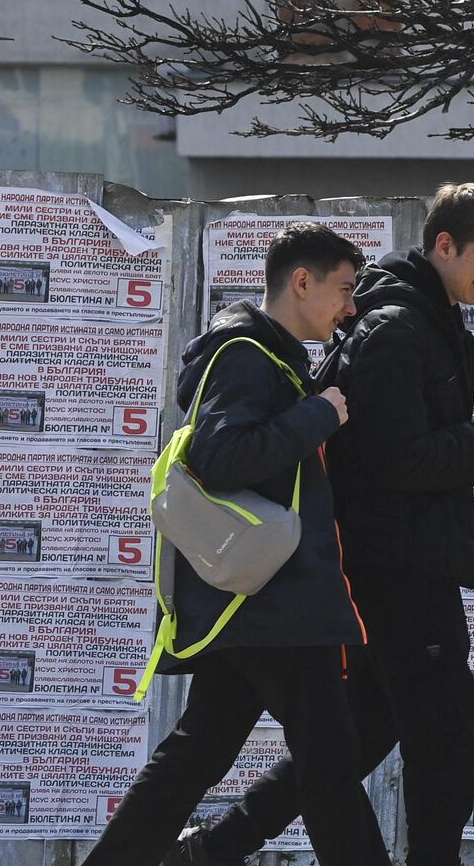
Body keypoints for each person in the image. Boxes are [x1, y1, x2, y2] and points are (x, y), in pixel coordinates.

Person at [183, 185, 474, 866]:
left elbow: (407, 446)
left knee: (361, 732)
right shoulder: (397, 328)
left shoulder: (426, 322)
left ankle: (217, 847)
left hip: (395, 563)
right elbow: (391, 457)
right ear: (443, 246)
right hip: (397, 570)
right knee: (448, 740)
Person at [87, 223, 386, 866]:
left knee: (198, 752)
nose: (351, 306)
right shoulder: (246, 355)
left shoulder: (272, 356)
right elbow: (222, 458)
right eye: (343, 288)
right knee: (329, 763)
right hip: (275, 606)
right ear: (300, 282)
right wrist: (320, 415)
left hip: (257, 601)